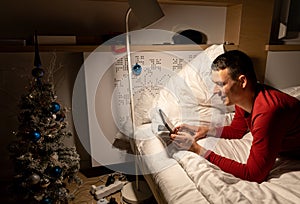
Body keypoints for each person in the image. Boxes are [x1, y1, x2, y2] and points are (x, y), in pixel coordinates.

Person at [170, 50, 300, 183]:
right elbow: (237, 130)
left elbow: (253, 174)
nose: (214, 91)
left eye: (221, 84)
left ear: (242, 81)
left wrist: (198, 150)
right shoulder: (244, 98)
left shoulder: (267, 112)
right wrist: (205, 130)